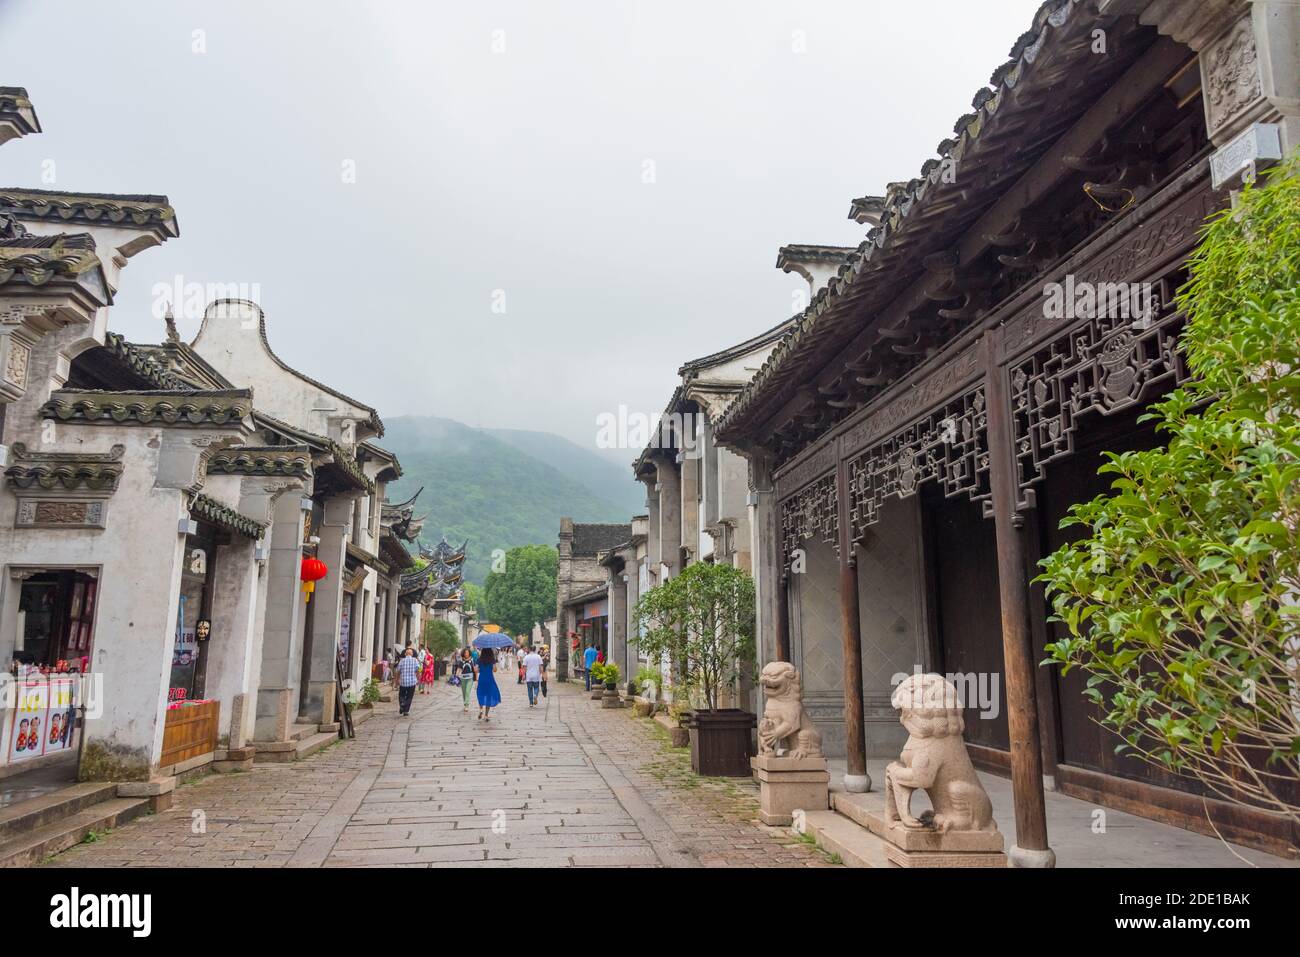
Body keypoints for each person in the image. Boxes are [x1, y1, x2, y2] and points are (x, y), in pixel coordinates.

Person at [476, 647, 501, 721]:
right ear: (490, 652)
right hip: (490, 679)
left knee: (481, 694)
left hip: (482, 679)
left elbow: (476, 670)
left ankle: (481, 709)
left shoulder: (479, 660)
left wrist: (480, 669)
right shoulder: (492, 660)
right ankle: (486, 715)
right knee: (489, 696)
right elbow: (495, 670)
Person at [396, 645, 420, 716]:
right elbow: (418, 670)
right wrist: (417, 678)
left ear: (405, 654)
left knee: (401, 695)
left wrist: (397, 680)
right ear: (412, 654)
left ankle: (402, 704)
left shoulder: (402, 661)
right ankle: (406, 710)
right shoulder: (415, 660)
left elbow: (398, 671)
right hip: (412, 681)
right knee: (410, 696)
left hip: (403, 681)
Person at [456, 647, 476, 713]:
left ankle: (467, 705)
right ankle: (465, 704)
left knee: (467, 691)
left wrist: (476, 679)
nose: (466, 654)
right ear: (463, 653)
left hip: (470, 678)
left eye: (467, 652)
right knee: (464, 692)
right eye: (465, 653)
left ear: (469, 653)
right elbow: (459, 669)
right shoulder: (461, 661)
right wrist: (456, 676)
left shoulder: (472, 660)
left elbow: (475, 669)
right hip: (463, 678)